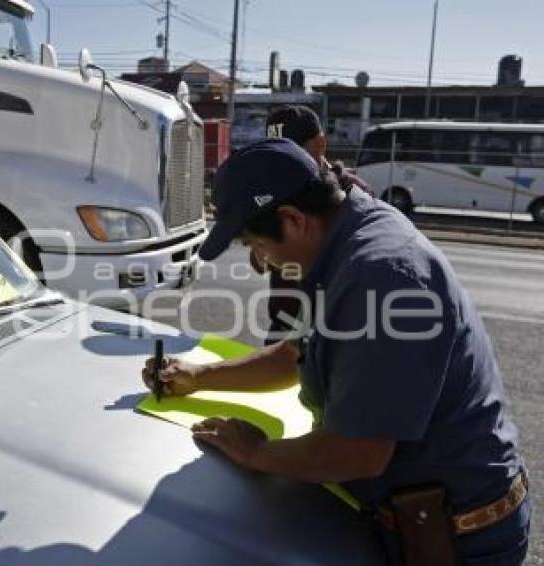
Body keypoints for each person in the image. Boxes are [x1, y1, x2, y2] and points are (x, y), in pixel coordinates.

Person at [142, 138, 530, 565]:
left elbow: (357, 452)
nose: (262, 263)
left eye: (257, 245)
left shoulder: (381, 277)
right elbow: (300, 353)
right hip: (424, 519)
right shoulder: (347, 237)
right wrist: (200, 376)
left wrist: (256, 453)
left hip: (454, 541)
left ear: (292, 219)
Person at [258, 105, 371, 342]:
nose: (283, 164)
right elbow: (259, 260)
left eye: (294, 153)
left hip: (333, 331)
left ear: (320, 145)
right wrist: (260, 249)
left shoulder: (354, 193)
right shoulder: (274, 192)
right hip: (283, 326)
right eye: (274, 155)